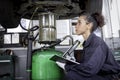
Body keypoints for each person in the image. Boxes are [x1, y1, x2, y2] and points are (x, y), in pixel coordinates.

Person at [64, 11, 120, 80]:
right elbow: (87, 65)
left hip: (109, 77)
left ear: (89, 25)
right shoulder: (87, 43)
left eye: (79, 22)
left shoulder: (97, 43)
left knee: (72, 75)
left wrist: (69, 67)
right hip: (97, 73)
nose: (76, 26)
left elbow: (89, 69)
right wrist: (71, 62)